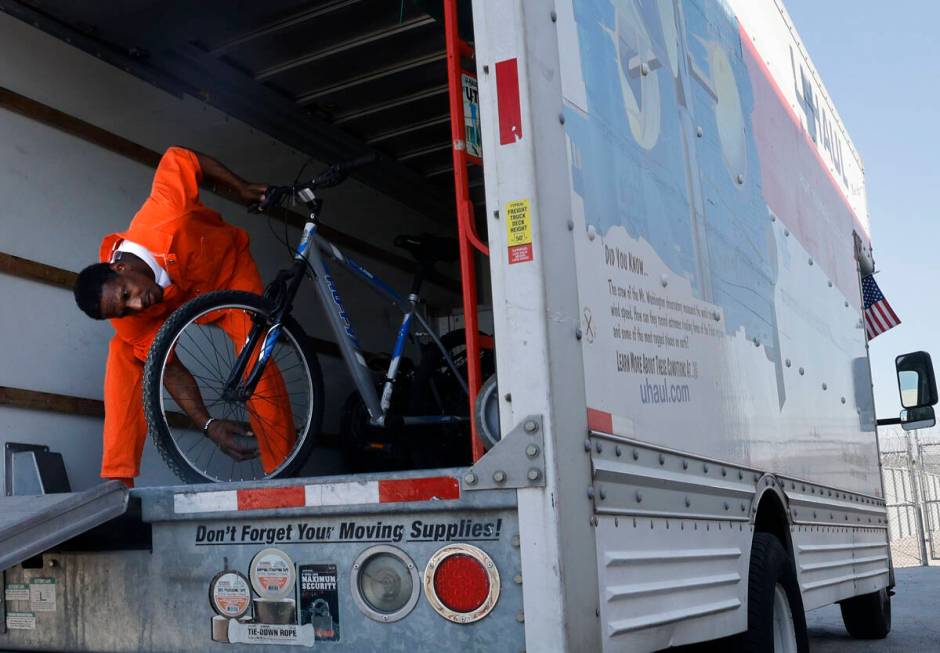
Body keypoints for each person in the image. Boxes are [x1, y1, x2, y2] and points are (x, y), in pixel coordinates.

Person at [73, 147, 295, 487]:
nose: (136, 306)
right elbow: (169, 369)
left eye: (126, 295)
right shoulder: (128, 314)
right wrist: (207, 425)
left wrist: (241, 186)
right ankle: (117, 482)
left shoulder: (165, 212)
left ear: (120, 267)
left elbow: (182, 157)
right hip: (177, 302)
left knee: (255, 354)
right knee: (123, 352)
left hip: (227, 274)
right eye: (124, 308)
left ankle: (283, 472)